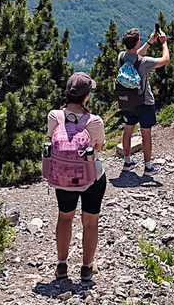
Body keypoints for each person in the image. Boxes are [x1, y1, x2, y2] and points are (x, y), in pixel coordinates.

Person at [48, 72, 106, 282]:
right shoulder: (95, 121)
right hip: (90, 178)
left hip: (62, 178)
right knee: (90, 222)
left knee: (65, 217)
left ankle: (62, 266)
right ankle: (86, 268)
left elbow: (51, 139)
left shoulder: (55, 116)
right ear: (86, 96)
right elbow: (98, 146)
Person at [119, 27, 170, 176]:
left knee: (127, 131)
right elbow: (165, 60)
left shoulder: (121, 57)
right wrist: (163, 43)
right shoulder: (144, 62)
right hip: (145, 102)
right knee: (145, 133)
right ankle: (148, 167)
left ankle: (127, 162)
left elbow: (134, 55)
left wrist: (149, 42)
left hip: (128, 101)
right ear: (136, 43)